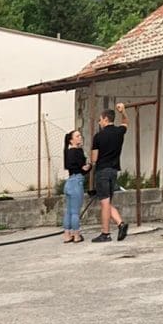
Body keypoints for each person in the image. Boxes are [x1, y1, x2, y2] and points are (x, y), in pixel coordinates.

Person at [90, 104, 129, 243]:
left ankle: (105, 233)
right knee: (107, 202)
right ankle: (121, 224)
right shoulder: (119, 132)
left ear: (106, 119)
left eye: (100, 119)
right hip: (114, 170)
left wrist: (91, 162)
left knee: (105, 203)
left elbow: (94, 158)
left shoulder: (98, 136)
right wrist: (123, 111)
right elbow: (125, 122)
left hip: (102, 171)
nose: (99, 122)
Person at [62, 129, 90, 243]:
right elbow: (83, 168)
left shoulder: (67, 152)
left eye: (80, 135)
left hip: (69, 182)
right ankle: (76, 235)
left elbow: (70, 166)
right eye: (77, 136)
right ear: (71, 140)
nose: (80, 137)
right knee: (75, 212)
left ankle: (67, 235)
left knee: (69, 211)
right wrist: (89, 166)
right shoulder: (78, 151)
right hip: (77, 182)